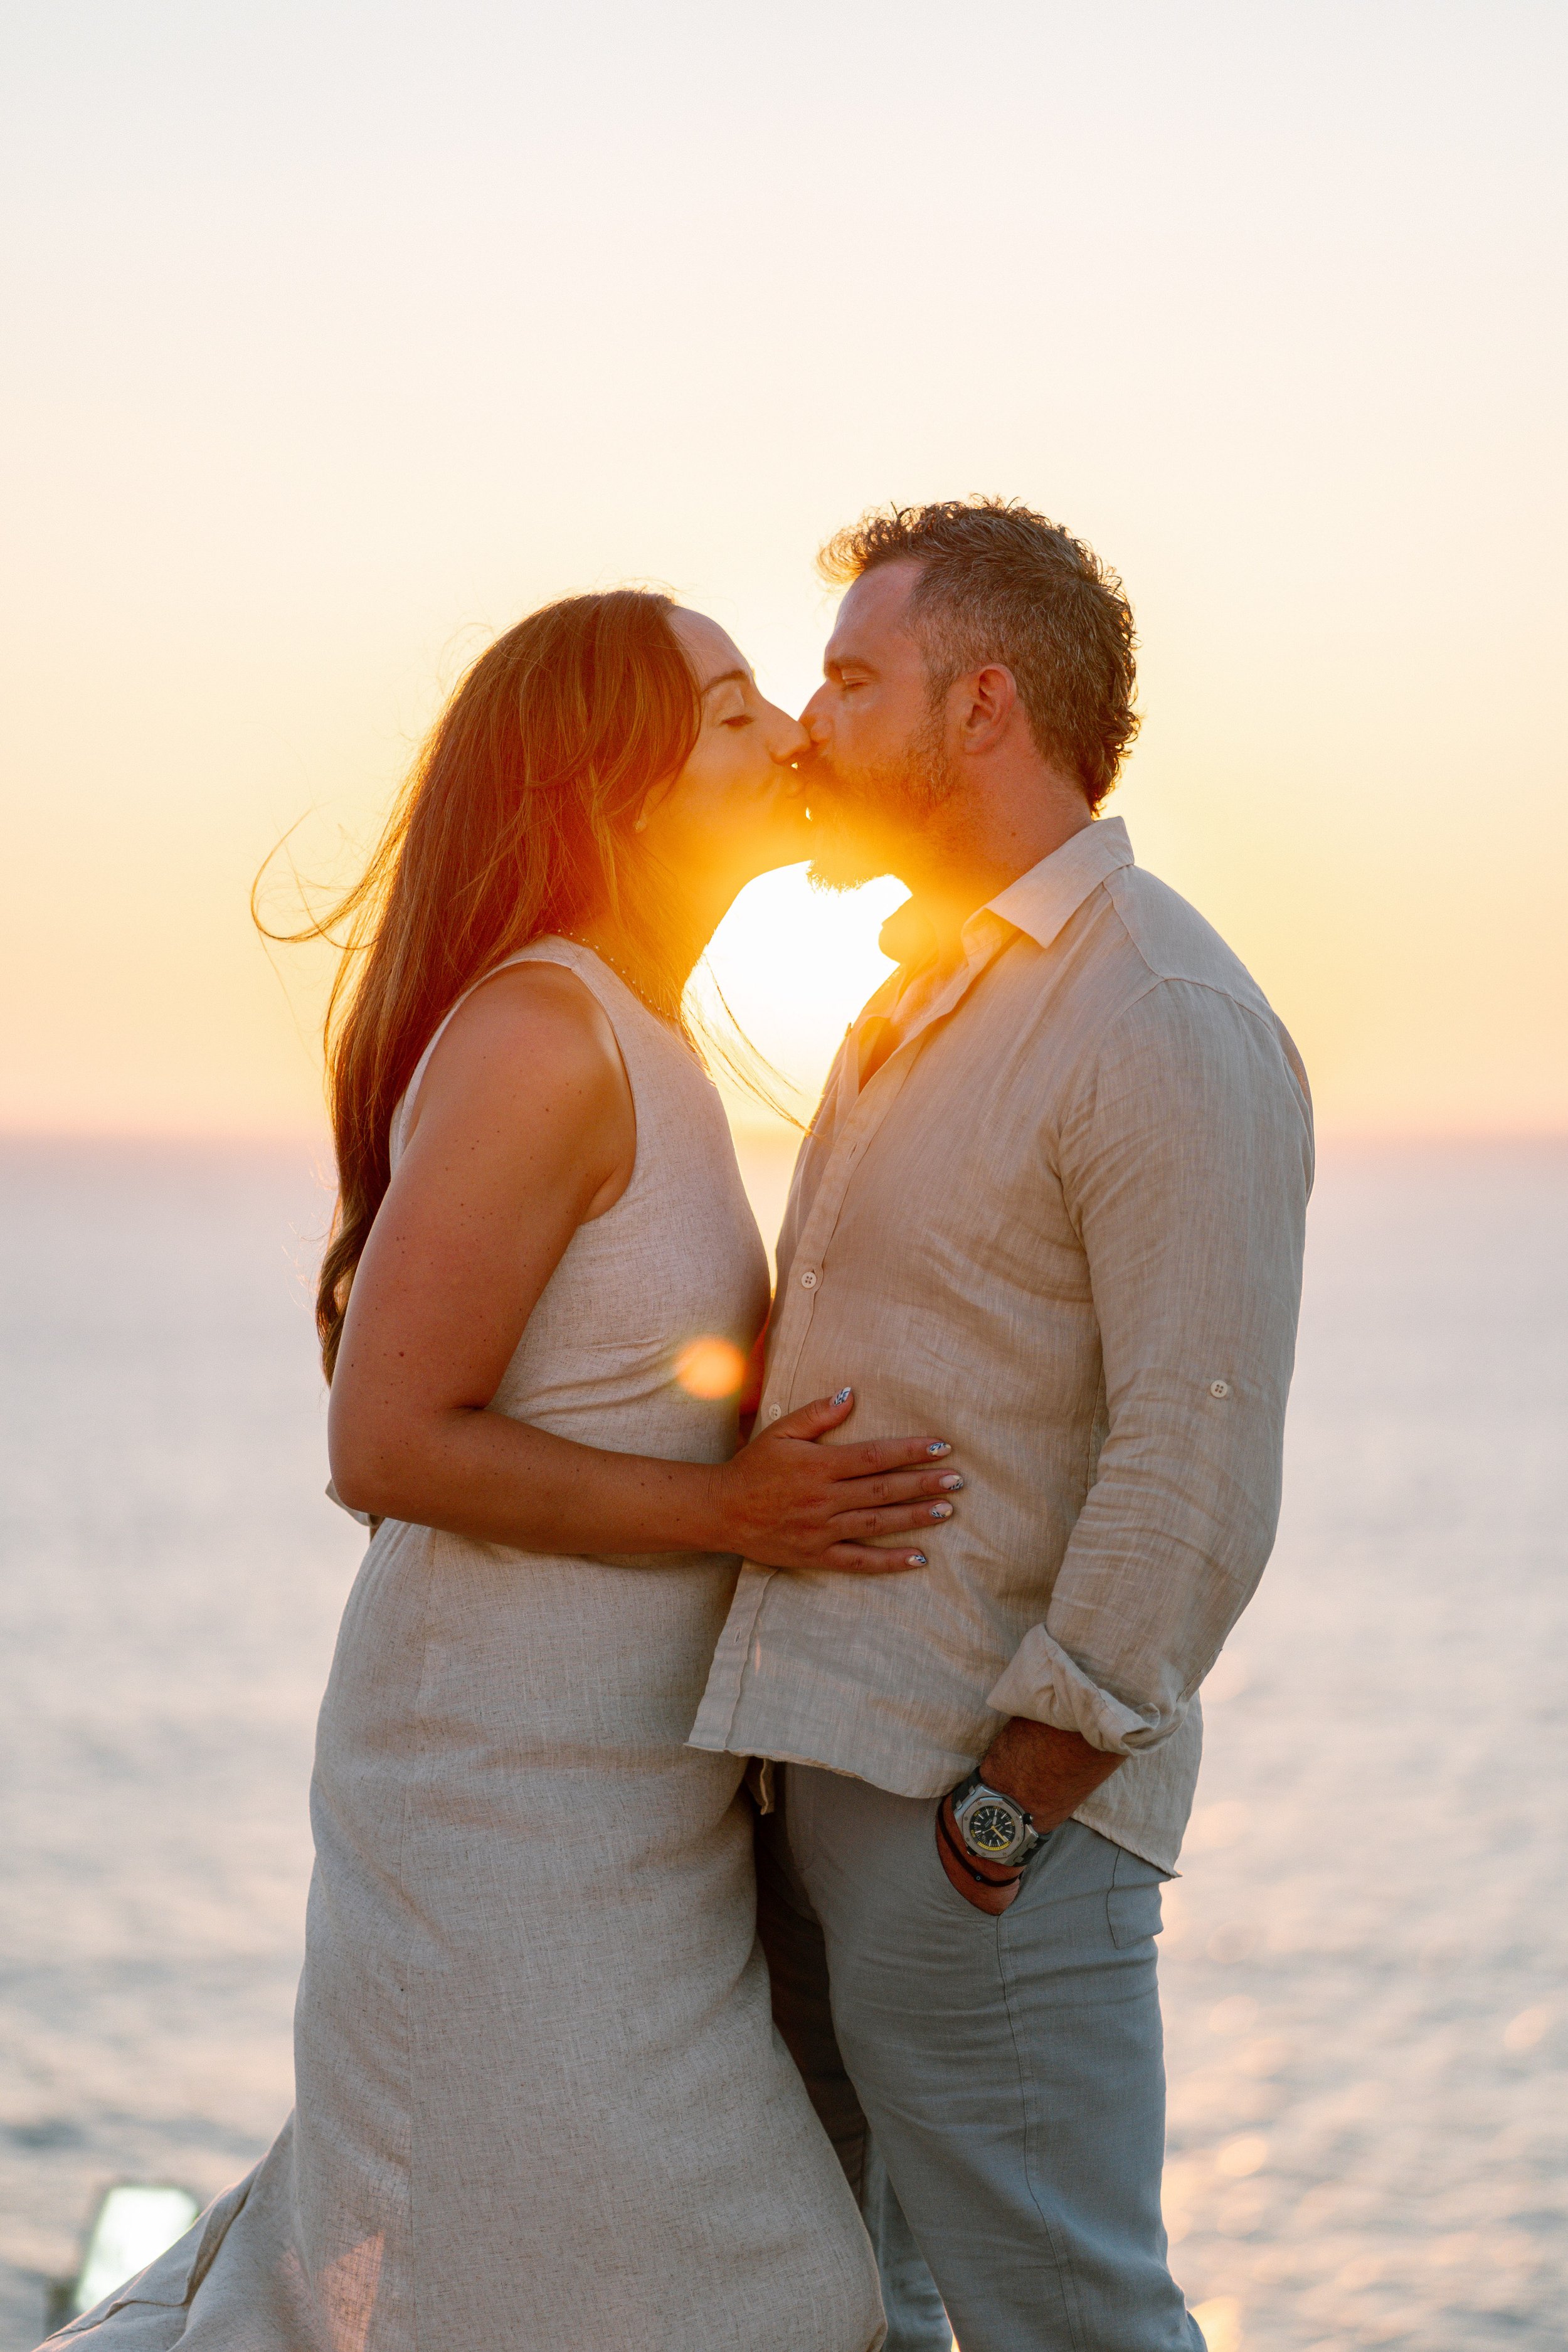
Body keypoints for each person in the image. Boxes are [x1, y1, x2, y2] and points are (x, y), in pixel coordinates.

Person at [43, 589, 972, 2352]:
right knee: (742, 2282)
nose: (783, 732)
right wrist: (731, 1509)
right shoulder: (545, 1040)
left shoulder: (645, 1035)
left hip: (632, 1803)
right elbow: (383, 1441)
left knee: (678, 2276)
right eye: (727, 710)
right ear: (609, 790)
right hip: (496, 1800)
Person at [691, 500, 1315, 2351]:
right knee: (846, 2309)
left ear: (980, 709)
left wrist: (1007, 1806)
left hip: (975, 1816)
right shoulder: (929, 989)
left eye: (848, 680)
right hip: (835, 1783)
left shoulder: (1158, 1010)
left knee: (1066, 2322)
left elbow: (1197, 1452)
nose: (810, 726)